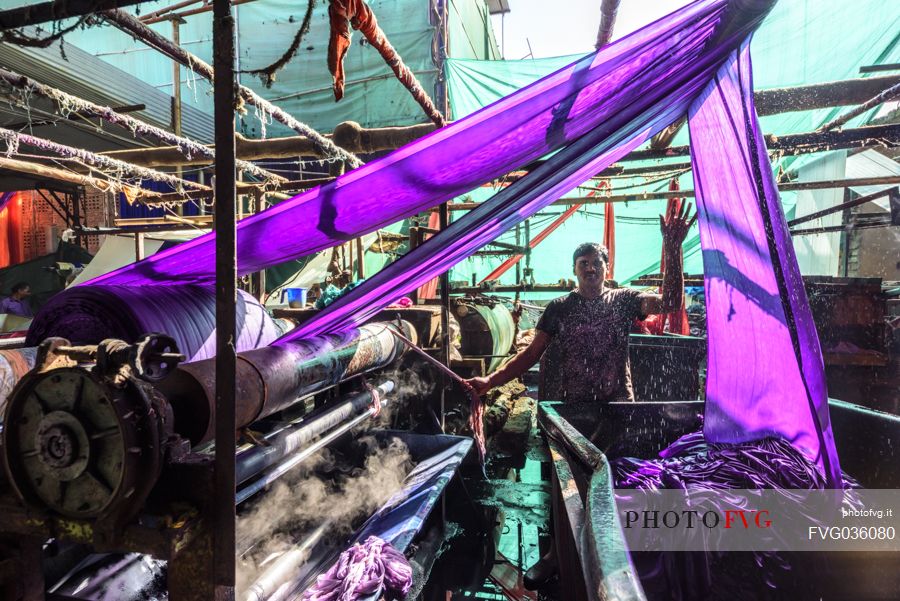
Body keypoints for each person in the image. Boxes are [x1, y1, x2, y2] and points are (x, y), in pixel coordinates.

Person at [465, 202, 696, 587]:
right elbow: (531, 355)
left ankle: (626, 555)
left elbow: (670, 304)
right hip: (572, 414)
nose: (590, 268)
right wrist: (488, 384)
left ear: (607, 269)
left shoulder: (624, 302)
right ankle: (558, 554)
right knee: (565, 486)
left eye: (596, 262)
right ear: (574, 271)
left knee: (621, 482)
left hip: (618, 407)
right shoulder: (559, 308)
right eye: (583, 263)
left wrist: (672, 247)